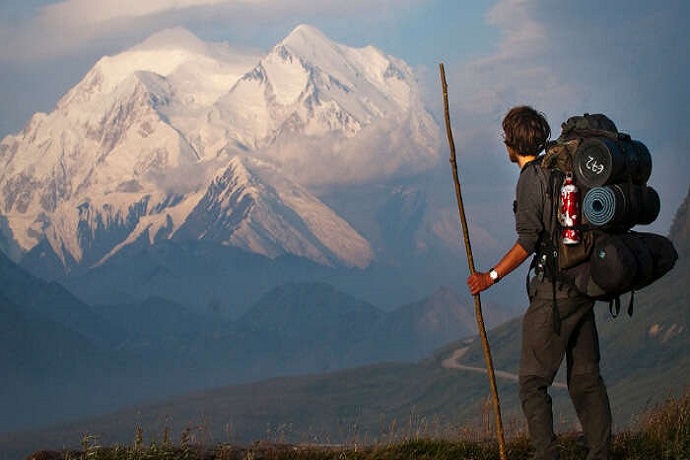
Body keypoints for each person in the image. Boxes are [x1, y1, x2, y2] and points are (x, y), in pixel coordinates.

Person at [467, 106, 611, 459]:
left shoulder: (531, 177)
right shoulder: (562, 167)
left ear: (510, 144)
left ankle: (546, 454)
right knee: (586, 377)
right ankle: (600, 451)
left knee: (532, 382)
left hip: (555, 292)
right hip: (584, 283)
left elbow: (528, 240)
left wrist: (491, 277)